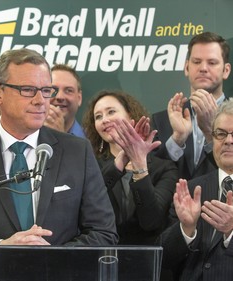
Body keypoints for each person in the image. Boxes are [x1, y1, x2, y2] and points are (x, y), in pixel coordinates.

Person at [0, 48, 118, 246]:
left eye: (45, 91)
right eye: (27, 90)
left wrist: (53, 259)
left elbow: (103, 233)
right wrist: (0, 246)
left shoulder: (77, 152)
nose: (40, 100)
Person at [83, 90, 178, 245]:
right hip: (100, 256)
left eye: (111, 112)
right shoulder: (89, 165)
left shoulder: (164, 168)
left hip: (148, 260)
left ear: (130, 115)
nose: (105, 120)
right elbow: (88, 204)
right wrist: (120, 161)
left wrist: (139, 165)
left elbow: (151, 222)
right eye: (98, 116)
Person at [159, 99, 233, 280]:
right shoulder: (192, 189)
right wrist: (186, 228)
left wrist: (231, 232)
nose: (228, 141)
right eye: (221, 134)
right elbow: (163, 258)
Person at [152, 32, 231, 180]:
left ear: (226, 71)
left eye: (212, 63)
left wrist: (211, 133)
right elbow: (152, 176)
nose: (203, 68)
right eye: (196, 61)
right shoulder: (161, 121)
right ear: (187, 67)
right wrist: (177, 139)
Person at [44, 63, 86, 138]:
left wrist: (60, 136)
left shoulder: (93, 141)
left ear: (79, 98)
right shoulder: (25, 135)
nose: (60, 97)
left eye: (68, 90)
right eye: (53, 90)